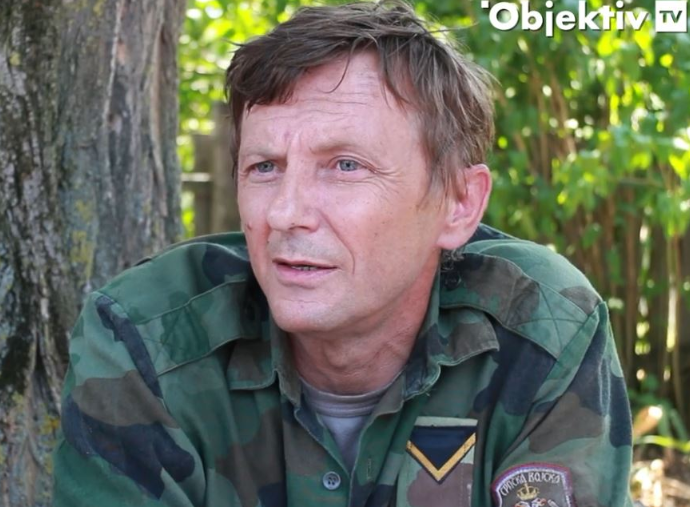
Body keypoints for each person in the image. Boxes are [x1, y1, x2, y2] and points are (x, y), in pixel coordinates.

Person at [52, 2, 634, 506]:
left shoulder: (541, 327)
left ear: (458, 203)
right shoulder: (145, 341)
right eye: (264, 167)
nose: (285, 213)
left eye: (345, 166)